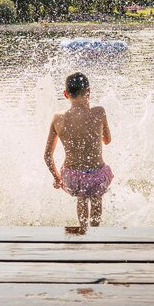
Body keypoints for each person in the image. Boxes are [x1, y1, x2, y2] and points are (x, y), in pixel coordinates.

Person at [43, 72, 114, 228]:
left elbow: (47, 155)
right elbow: (107, 140)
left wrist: (57, 177)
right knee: (96, 198)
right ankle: (95, 233)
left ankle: (82, 230)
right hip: (97, 176)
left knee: (81, 198)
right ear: (88, 91)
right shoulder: (99, 112)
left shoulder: (57, 118)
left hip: (72, 177)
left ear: (66, 94)